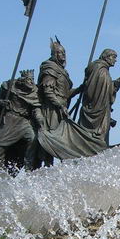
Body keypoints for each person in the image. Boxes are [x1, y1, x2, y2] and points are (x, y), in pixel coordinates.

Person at [36, 38, 79, 166]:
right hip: (51, 110)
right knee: (52, 138)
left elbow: (65, 94)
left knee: (63, 139)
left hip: (61, 108)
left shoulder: (62, 71)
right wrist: (60, 105)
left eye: (64, 53)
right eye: (60, 53)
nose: (63, 55)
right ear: (54, 54)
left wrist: (80, 88)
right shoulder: (50, 69)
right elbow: (48, 92)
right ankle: (46, 166)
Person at [0, 69, 42, 170]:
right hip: (10, 119)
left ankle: (29, 164)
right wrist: (1, 103)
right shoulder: (10, 87)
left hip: (24, 121)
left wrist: (39, 118)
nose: (31, 82)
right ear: (22, 80)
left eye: (32, 80)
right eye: (29, 80)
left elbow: (36, 108)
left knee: (32, 138)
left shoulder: (35, 93)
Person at [77, 48, 120, 143]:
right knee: (98, 141)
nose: (115, 60)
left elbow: (108, 88)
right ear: (106, 57)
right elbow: (107, 91)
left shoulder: (99, 69)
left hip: (95, 108)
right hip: (99, 111)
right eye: (114, 57)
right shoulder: (102, 72)